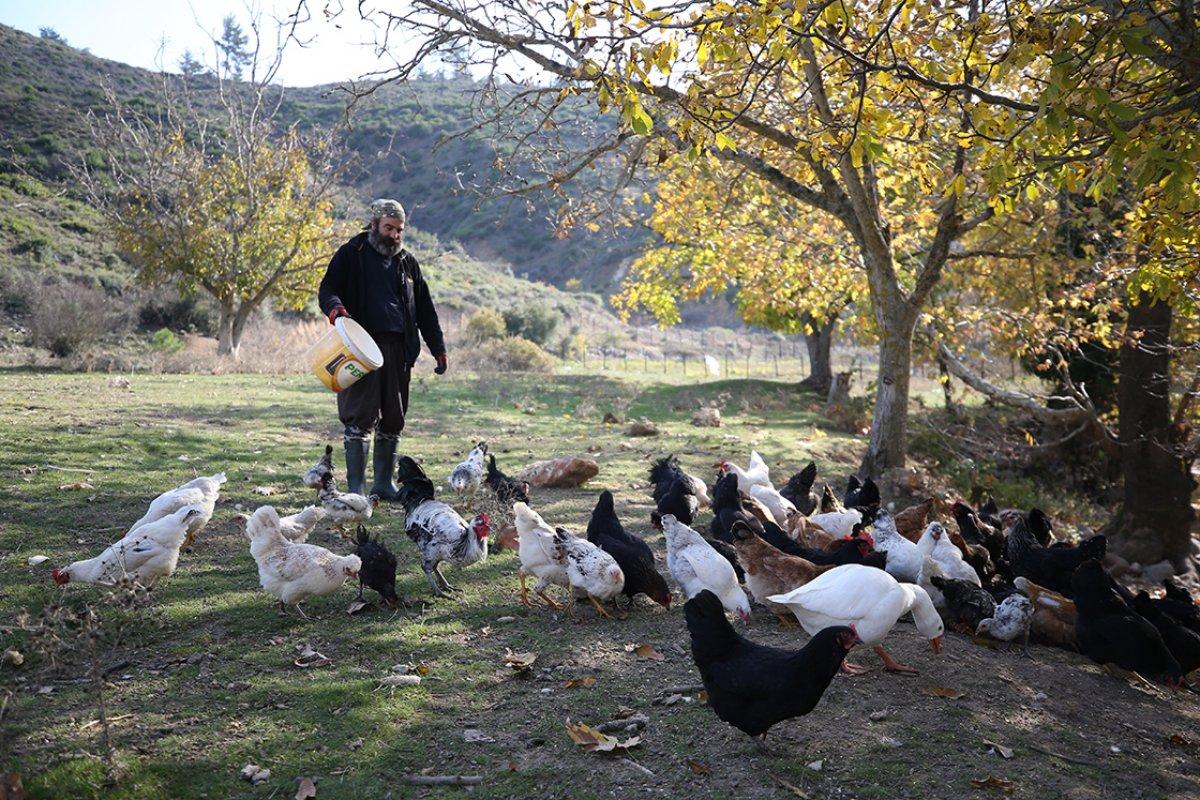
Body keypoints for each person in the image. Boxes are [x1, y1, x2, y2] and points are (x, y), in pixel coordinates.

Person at [318, 198, 447, 500]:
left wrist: (438, 348)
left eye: (399, 230)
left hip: (399, 351)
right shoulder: (351, 254)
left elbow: (426, 310)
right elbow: (328, 289)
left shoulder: (408, 262)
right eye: (389, 228)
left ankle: (383, 485)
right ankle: (356, 490)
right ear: (374, 224)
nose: (394, 235)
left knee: (394, 416)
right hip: (359, 349)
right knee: (359, 416)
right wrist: (336, 310)